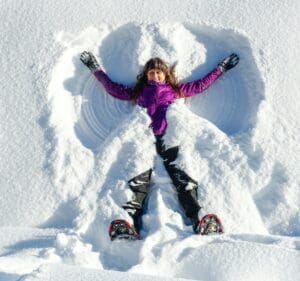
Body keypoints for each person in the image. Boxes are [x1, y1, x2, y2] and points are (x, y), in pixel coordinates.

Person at [80, 51, 239, 240]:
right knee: (137, 178)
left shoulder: (175, 91)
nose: (155, 76)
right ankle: (128, 224)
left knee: (183, 178)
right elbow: (112, 88)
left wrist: (221, 68)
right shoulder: (138, 93)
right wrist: (95, 68)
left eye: (159, 73)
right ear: (146, 75)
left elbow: (200, 85)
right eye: (151, 73)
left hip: (170, 139)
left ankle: (200, 219)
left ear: (165, 75)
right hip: (144, 139)